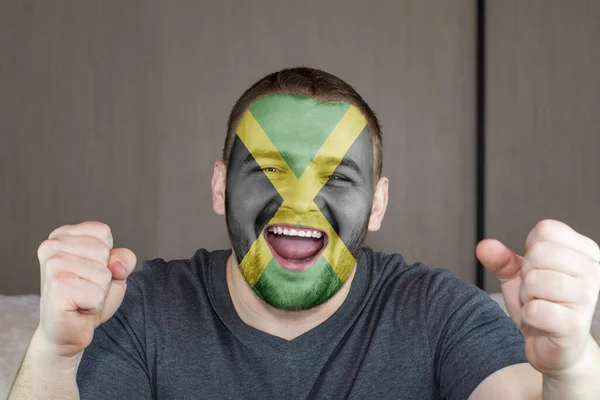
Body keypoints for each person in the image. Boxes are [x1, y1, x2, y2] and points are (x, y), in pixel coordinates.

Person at [9, 67, 600, 399]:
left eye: (337, 176)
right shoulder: (140, 311)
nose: (300, 201)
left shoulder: (440, 314)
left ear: (377, 203)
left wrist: (571, 367)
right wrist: (54, 355)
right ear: (221, 188)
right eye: (268, 169)